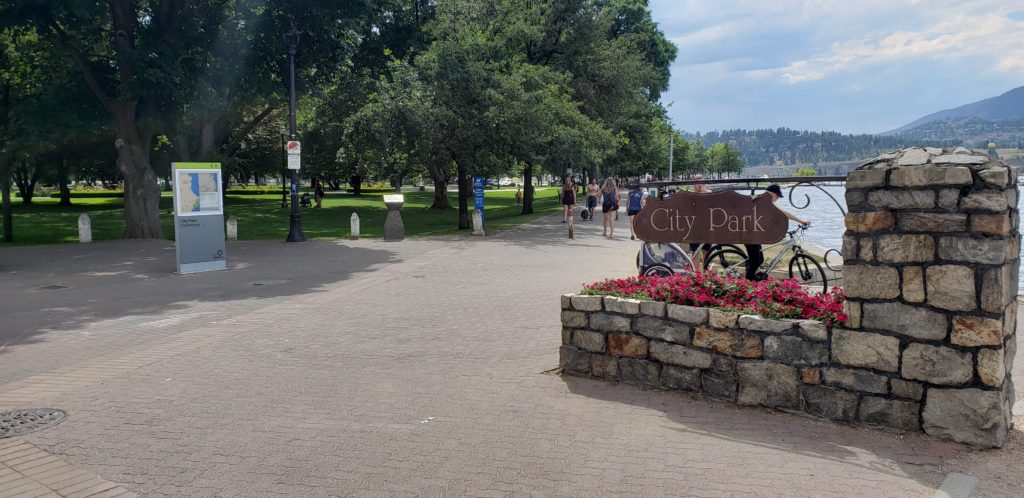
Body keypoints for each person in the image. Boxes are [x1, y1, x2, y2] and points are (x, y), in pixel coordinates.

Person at [744, 184, 809, 281]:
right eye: (777, 196)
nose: (778, 198)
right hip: (749, 234)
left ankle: (752, 278)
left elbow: (779, 214)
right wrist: (801, 221)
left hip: (754, 234)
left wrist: (799, 221)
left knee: (759, 259)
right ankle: (747, 283)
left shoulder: (762, 200)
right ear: (772, 193)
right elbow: (783, 213)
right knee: (756, 261)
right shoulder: (761, 201)